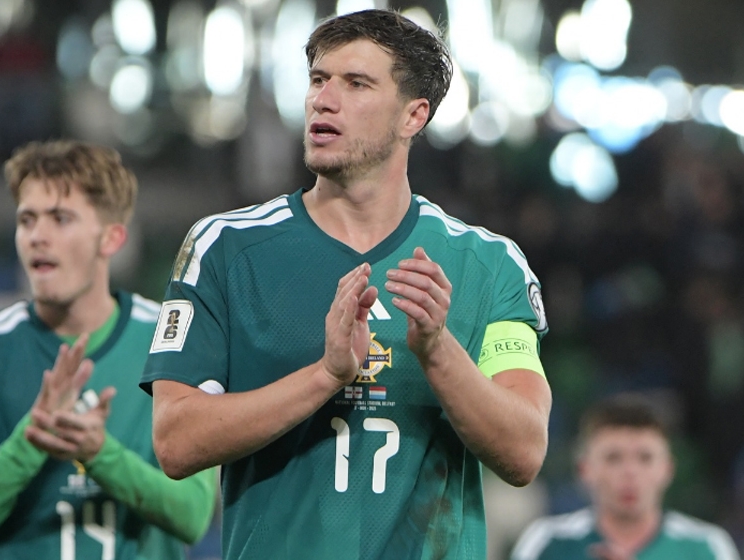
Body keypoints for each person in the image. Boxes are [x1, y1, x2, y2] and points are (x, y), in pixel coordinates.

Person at [142, 9, 551, 560]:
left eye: (356, 83)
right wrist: (325, 377)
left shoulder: (489, 264)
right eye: (318, 79)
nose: (323, 100)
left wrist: (437, 350)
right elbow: (175, 441)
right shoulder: (224, 248)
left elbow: (524, 452)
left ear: (414, 115)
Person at [0, 140, 218, 560]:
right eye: (27, 220)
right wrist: (31, 439)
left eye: (60, 219)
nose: (37, 237)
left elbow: (193, 514)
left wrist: (100, 454)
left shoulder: (173, 343)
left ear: (111, 238)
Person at [510, 393, 741, 560]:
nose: (630, 472)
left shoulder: (706, 547)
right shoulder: (548, 543)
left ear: (667, 469)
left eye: (645, 458)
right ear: (584, 469)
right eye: (614, 458)